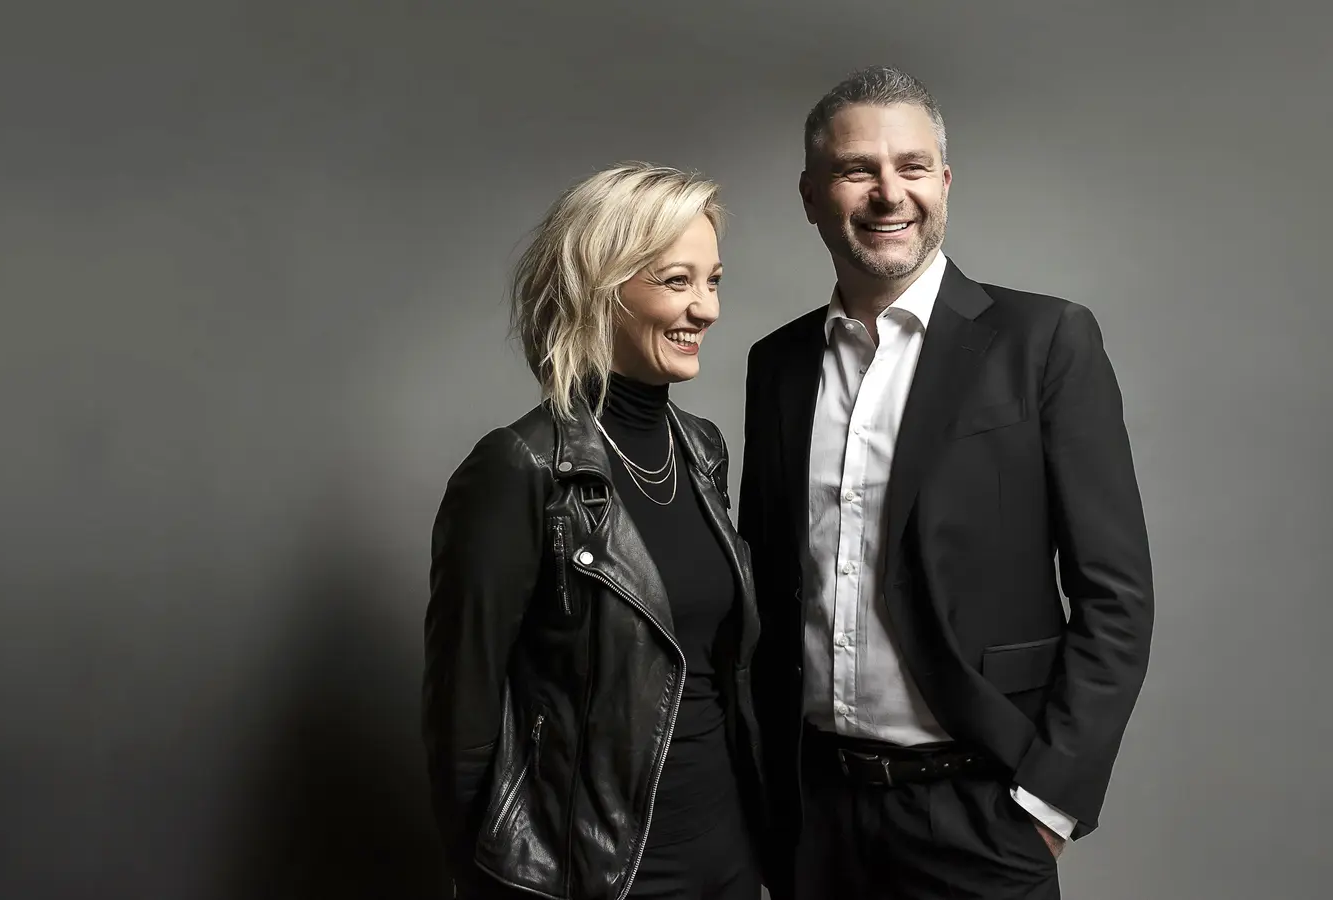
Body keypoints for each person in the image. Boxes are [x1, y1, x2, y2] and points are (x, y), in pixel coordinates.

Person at [738, 66, 1154, 900]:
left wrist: (1048, 804)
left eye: (913, 167)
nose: (890, 194)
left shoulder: (1044, 341)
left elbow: (1116, 597)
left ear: (945, 183)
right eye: (857, 170)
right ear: (811, 195)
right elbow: (769, 597)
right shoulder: (777, 365)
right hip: (816, 820)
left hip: (981, 814)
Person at [422, 162, 766, 900]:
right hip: (600, 876)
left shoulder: (701, 451)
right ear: (600, 289)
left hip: (728, 857)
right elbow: (462, 721)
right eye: (677, 281)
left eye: (713, 281)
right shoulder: (520, 468)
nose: (706, 308)